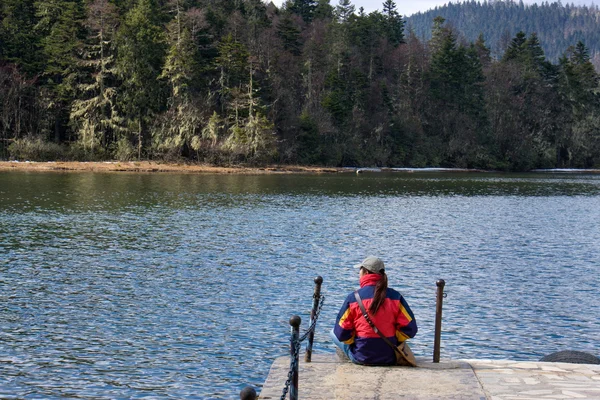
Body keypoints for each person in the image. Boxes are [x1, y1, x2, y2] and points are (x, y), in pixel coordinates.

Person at [331, 256, 418, 365]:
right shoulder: (395, 297)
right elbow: (410, 329)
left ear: (366, 272)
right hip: (389, 357)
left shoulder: (353, 298)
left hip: (361, 357)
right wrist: (394, 338)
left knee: (333, 333)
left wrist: (354, 341)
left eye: (360, 270)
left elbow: (341, 333)